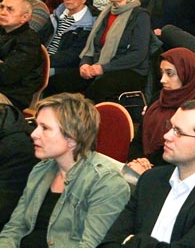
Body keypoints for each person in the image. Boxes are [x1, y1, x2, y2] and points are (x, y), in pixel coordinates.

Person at [100, 100, 195, 247]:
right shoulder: (151, 180)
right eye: (170, 127)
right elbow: (110, 242)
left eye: (178, 132)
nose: (167, 135)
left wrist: (132, 241)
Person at [0, 93, 130, 247]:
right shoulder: (41, 169)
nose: (34, 134)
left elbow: (90, 245)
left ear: (72, 138)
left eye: (45, 128)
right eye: (36, 125)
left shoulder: (106, 183)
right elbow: (15, 228)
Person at [46, 0, 151, 103]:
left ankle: (80, 122)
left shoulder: (140, 16)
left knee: (98, 89)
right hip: (98, 64)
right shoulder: (106, 13)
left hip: (128, 69)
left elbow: (138, 54)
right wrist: (85, 64)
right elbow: (91, 46)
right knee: (56, 82)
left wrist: (103, 68)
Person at [129, 48, 195, 174]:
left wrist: (148, 170)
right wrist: (139, 160)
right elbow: (138, 140)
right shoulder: (158, 98)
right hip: (141, 168)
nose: (162, 80)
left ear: (186, 73)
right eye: (162, 73)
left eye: (170, 73)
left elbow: (190, 158)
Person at [0, 0, 43, 110]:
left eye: (9, 9)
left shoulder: (29, 41)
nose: (3, 12)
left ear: (24, 17)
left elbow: (5, 76)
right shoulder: (3, 30)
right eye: (1, 7)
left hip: (11, 97)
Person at [47, 0, 96, 75]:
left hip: (62, 68)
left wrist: (45, 60)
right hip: (43, 58)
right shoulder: (57, 14)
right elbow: (40, 37)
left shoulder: (88, 24)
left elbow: (74, 55)